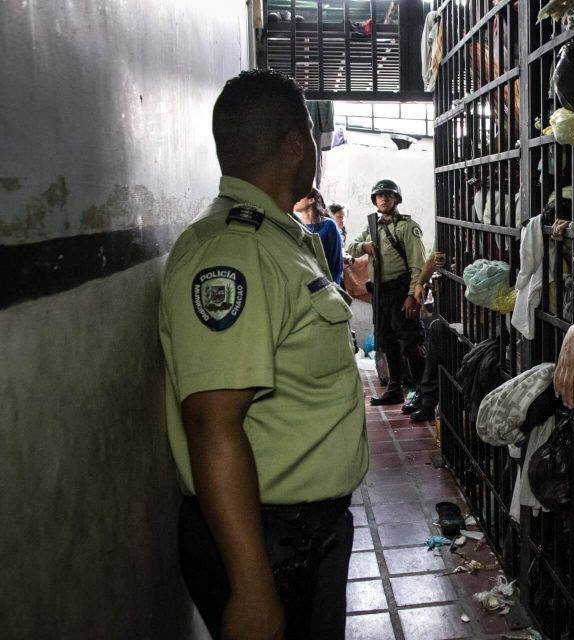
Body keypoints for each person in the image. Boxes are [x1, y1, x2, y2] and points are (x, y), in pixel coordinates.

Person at [158, 69, 367, 640]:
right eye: (314, 141)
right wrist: (251, 587)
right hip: (268, 541)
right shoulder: (236, 251)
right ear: (297, 143)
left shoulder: (280, 240)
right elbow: (211, 422)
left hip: (299, 531)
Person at [346, 179, 427, 406]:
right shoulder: (373, 225)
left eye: (388, 196)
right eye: (379, 196)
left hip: (400, 289)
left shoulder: (407, 227)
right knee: (387, 341)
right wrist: (365, 247)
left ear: (396, 199)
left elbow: (417, 264)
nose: (383, 199)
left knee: (411, 341)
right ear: (374, 201)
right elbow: (351, 245)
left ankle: (421, 391)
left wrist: (412, 295)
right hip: (380, 292)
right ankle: (395, 388)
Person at [402, 250, 447, 421]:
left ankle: (429, 401)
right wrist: (420, 283)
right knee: (433, 351)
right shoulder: (451, 227)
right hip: (448, 303)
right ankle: (427, 400)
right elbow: (434, 258)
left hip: (468, 306)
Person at [293, 188, 344, 286]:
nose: (295, 198)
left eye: (300, 195)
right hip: (302, 285)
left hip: (325, 286)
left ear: (311, 200)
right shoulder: (294, 224)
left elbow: (336, 264)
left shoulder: (329, 225)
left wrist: (333, 289)